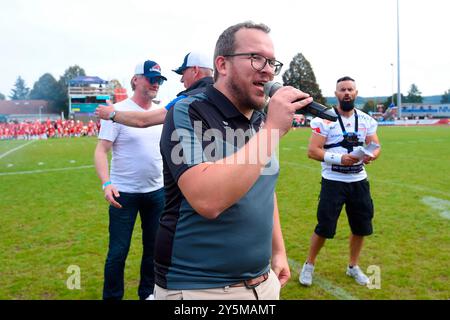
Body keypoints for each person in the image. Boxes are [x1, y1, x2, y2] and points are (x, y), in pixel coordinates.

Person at [153, 21, 313, 300]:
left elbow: (264, 190)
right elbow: (207, 200)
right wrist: (272, 131)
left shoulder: (261, 122)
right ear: (223, 65)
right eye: (256, 58)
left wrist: (279, 251)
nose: (267, 69)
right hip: (199, 288)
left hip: (263, 283)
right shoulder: (189, 111)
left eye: (272, 62)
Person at [94, 60, 167, 300]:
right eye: (150, 78)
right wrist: (106, 183)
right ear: (136, 79)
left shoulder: (160, 112)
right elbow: (101, 150)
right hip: (123, 193)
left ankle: (148, 293)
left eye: (158, 79)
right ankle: (112, 297)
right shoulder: (116, 110)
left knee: (153, 250)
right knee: (117, 252)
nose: (155, 83)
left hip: (156, 191)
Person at [299, 76, 381, 287]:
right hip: (333, 181)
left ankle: (353, 266)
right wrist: (339, 158)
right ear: (336, 94)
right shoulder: (323, 119)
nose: (346, 93)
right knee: (324, 227)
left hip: (358, 181)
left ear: (356, 93)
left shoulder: (366, 120)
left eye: (350, 89)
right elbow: (312, 151)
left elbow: (376, 146)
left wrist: (372, 155)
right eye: (342, 89)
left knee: (361, 227)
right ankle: (309, 264)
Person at [95, 51, 214, 128]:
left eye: (183, 73)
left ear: (195, 70)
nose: (181, 79)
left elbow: (143, 121)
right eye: (152, 79)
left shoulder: (187, 100)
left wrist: (112, 114)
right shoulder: (223, 93)